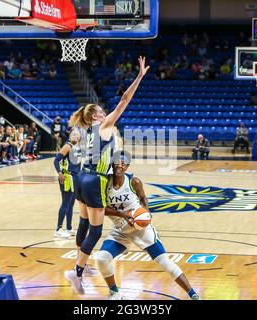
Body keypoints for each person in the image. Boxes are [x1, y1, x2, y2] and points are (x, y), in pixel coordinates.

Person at [64, 56, 150, 295]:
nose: (106, 113)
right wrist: (139, 77)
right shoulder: (103, 126)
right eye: (102, 112)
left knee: (83, 222)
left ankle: (80, 261)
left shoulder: (87, 129)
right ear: (95, 117)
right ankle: (77, 272)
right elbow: (124, 100)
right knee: (96, 230)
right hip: (94, 181)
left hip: (81, 176)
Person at [94, 153, 200, 300]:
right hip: (120, 231)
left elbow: (143, 197)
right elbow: (101, 209)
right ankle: (114, 292)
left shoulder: (134, 182)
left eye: (124, 163)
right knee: (101, 258)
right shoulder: (105, 183)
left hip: (141, 229)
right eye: (117, 162)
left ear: (127, 166)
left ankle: (193, 294)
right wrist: (123, 214)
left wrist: (146, 210)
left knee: (164, 261)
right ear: (112, 164)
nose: (120, 165)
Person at [53, 130, 82, 239]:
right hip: (67, 177)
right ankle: (58, 229)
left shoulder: (78, 148)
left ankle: (69, 228)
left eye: (77, 135)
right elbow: (56, 161)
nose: (75, 136)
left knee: (71, 204)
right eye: (73, 134)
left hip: (75, 178)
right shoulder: (67, 146)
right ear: (70, 137)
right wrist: (60, 173)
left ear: (79, 138)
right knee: (65, 203)